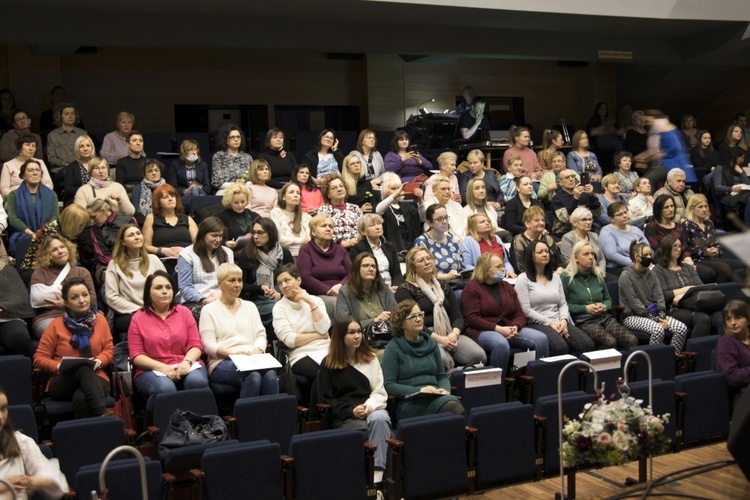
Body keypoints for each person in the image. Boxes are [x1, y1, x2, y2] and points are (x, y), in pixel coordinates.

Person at [320, 316, 392, 475]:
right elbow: (327, 400)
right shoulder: (329, 363)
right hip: (346, 416)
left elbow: (379, 392)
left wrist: (370, 406)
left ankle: (377, 475)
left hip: (372, 410)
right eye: (351, 332)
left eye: (359, 331)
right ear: (340, 336)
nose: (357, 336)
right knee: (374, 431)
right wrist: (351, 411)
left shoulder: (371, 359)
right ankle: (375, 481)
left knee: (380, 419)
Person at [34, 277, 114, 418]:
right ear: (66, 303)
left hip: (96, 376)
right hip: (63, 380)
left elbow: (109, 350)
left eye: (85, 295)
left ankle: (84, 438)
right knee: (82, 368)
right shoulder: (56, 325)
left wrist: (99, 361)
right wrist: (58, 366)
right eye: (75, 297)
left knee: (81, 397)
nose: (82, 300)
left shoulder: (100, 320)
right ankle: (103, 416)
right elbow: (39, 359)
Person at [395, 247, 486, 371]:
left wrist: (454, 334)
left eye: (429, 259)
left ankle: (462, 386)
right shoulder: (405, 290)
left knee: (478, 356)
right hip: (424, 335)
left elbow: (457, 316)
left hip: (449, 331)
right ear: (412, 266)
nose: (427, 262)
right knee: (441, 360)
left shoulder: (443, 286)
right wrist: (440, 339)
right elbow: (411, 323)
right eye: (421, 260)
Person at [128, 270, 208, 409]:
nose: (165, 291)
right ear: (148, 293)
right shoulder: (138, 318)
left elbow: (195, 345)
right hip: (152, 369)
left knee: (197, 382)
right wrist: (162, 367)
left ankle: (200, 426)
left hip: (186, 363)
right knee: (166, 388)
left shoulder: (184, 312)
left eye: (168, 287)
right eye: (158, 288)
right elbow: (136, 355)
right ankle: (169, 428)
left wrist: (186, 362)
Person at [199, 263, 278, 398]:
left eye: (240, 280)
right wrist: (233, 353)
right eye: (232, 280)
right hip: (223, 361)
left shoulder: (250, 306)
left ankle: (271, 418)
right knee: (252, 376)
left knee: (271, 375)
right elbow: (208, 345)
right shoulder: (209, 310)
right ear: (220, 284)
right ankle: (248, 418)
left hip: (252, 358)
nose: (237, 285)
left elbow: (260, 334)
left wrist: (258, 350)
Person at [462, 253, 549, 371]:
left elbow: (519, 312)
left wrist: (516, 326)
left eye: (502, 266)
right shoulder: (472, 288)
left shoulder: (507, 286)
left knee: (541, 339)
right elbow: (472, 318)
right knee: (500, 343)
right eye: (498, 267)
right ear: (486, 270)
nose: (503, 269)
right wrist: (498, 329)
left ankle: (538, 381)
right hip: (482, 331)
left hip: (509, 328)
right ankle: (498, 385)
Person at [381, 300, 464, 419]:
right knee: (452, 407)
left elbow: (441, 376)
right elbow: (389, 385)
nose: (419, 319)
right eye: (413, 316)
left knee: (451, 403)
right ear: (400, 323)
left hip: (436, 396)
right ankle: (471, 435)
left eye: (420, 315)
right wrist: (420, 390)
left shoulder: (431, 343)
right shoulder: (393, 348)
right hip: (410, 403)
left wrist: (444, 390)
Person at [516, 240, 596, 357]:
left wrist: (563, 320)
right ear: (531, 256)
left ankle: (576, 373)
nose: (545, 254)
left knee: (587, 344)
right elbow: (526, 310)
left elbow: (563, 304)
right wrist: (551, 323)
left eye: (547, 251)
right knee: (560, 347)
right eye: (540, 252)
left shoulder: (555, 277)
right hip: (537, 323)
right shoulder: (523, 279)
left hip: (559, 321)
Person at [561, 241, 637, 350]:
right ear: (576, 258)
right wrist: (585, 308)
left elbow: (607, 299)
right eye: (586, 254)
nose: (591, 257)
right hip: (584, 321)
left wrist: (604, 306)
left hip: (604, 318)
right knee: (610, 342)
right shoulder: (566, 277)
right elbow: (564, 306)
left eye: (592, 254)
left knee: (631, 340)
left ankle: (626, 366)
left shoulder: (598, 275)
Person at [618, 241, 688, 354]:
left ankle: (671, 359)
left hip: (655, 314)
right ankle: (654, 361)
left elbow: (659, 296)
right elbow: (634, 302)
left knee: (681, 329)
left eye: (650, 254)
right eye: (645, 255)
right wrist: (657, 320)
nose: (649, 257)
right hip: (632, 316)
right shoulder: (626, 275)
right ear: (636, 256)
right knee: (657, 330)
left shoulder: (652, 274)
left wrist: (661, 315)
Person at [0, 385, 65, 500]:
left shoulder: (20, 441)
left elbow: (57, 483)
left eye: (3, 408)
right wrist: (4, 486)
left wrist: (31, 481)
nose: (1, 417)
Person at [30, 234, 96, 340]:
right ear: (47, 254)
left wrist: (65, 305)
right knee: (63, 335)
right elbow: (37, 300)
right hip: (49, 317)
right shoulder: (40, 274)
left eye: (62, 247)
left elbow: (92, 302)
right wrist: (74, 299)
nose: (60, 251)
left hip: (81, 316)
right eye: (54, 249)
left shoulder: (82, 272)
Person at [272, 263, 331, 380]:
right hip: (300, 354)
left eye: (287, 280)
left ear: (298, 280)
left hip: (327, 348)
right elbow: (290, 340)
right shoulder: (279, 308)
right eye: (280, 283)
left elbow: (324, 328)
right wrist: (318, 335)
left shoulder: (316, 301)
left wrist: (310, 302)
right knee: (324, 374)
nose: (283, 286)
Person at [105, 224, 166, 337]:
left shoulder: (154, 260)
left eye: (138, 233)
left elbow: (166, 287)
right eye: (131, 235)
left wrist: (155, 308)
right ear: (123, 242)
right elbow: (112, 297)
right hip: (129, 313)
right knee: (144, 322)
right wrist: (140, 310)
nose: (137, 237)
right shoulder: (114, 264)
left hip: (155, 309)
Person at [234, 217, 293, 325]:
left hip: (283, 296)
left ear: (270, 233)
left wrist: (280, 295)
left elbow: (293, 281)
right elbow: (241, 284)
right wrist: (260, 288)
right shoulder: (247, 254)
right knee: (279, 310)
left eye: (260, 233)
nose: (256, 236)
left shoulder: (284, 253)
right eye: (254, 233)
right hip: (257, 299)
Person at [645, 194, 715, 284]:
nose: (670, 209)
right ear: (659, 210)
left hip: (682, 261)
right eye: (666, 207)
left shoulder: (678, 226)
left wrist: (688, 260)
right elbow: (659, 249)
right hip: (665, 263)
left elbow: (685, 247)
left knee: (709, 273)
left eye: (672, 206)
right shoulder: (652, 227)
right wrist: (679, 261)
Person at [653, 235, 712, 339]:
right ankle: (693, 352)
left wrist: (686, 292)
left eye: (680, 246)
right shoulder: (658, 270)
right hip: (673, 308)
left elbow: (701, 287)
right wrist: (686, 289)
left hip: (694, 303)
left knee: (720, 316)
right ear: (667, 248)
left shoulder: (687, 267)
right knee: (702, 319)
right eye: (675, 246)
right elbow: (663, 295)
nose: (678, 249)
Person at [297, 214, 351, 319]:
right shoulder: (306, 249)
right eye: (324, 226)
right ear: (313, 232)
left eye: (331, 227)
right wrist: (328, 290)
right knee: (337, 304)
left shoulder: (340, 250)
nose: (328, 229)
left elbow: (352, 273)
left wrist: (341, 285)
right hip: (319, 294)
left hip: (343, 290)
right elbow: (305, 277)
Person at [177, 217, 234, 315]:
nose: (218, 239)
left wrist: (222, 295)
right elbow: (185, 286)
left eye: (220, 236)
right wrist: (204, 300)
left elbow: (232, 280)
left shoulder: (227, 253)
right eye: (214, 236)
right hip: (195, 301)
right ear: (203, 234)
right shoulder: (187, 254)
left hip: (222, 298)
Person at [683, 194, 742, 284]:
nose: (704, 209)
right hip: (698, 260)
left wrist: (717, 250)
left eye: (705, 206)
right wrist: (705, 252)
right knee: (723, 269)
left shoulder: (709, 223)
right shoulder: (687, 225)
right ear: (692, 209)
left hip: (713, 258)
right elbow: (685, 249)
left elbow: (718, 243)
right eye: (700, 207)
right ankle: (718, 292)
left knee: (741, 265)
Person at [142, 183, 198, 275]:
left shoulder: (187, 219)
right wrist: (162, 250)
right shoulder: (151, 218)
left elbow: (199, 244)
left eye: (173, 196)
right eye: (165, 197)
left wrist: (185, 251)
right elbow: (146, 246)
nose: (171, 199)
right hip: (162, 261)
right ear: (158, 202)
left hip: (187, 259)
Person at [6, 159, 59, 255]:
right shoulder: (13, 195)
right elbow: (13, 219)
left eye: (38, 170)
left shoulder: (51, 194)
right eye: (30, 170)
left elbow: (55, 216)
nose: (35, 173)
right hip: (24, 234)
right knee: (26, 242)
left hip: (48, 233)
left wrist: (43, 233)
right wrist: (31, 234)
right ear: (23, 175)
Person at [18, 203, 89, 275]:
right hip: (36, 269)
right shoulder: (50, 231)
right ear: (72, 223)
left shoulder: (67, 231)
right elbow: (60, 258)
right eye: (81, 225)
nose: (82, 228)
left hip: (57, 269)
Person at [335, 253, 397, 331]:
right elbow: (342, 325)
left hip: (386, 334)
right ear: (357, 269)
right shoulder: (345, 292)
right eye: (365, 265)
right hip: (360, 337)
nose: (371, 269)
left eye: (373, 266)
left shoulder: (384, 289)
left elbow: (395, 316)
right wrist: (374, 321)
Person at [636, 110, 696, 187]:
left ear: (654, 118)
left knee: (649, 180)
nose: (647, 123)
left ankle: (650, 198)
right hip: (668, 161)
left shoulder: (665, 128)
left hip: (673, 163)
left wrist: (661, 155)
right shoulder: (659, 129)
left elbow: (675, 147)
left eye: (648, 120)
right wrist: (643, 156)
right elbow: (655, 149)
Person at [348, 213, 403, 290]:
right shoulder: (357, 249)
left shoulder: (389, 246)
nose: (377, 227)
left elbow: (397, 273)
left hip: (393, 288)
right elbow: (361, 276)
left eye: (379, 223)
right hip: (372, 289)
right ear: (363, 231)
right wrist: (386, 290)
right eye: (372, 225)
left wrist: (397, 286)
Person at [375, 172, 421, 257]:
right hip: (391, 251)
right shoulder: (380, 206)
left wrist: (420, 200)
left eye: (399, 188)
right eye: (393, 188)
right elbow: (378, 211)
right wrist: (395, 195)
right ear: (385, 189)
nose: (397, 191)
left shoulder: (407, 207)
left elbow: (423, 218)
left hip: (411, 249)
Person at [414, 205, 464, 283]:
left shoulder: (452, 240)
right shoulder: (422, 242)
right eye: (439, 219)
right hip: (434, 284)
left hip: (456, 282)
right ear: (430, 223)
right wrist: (445, 277)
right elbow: (420, 272)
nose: (444, 221)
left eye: (446, 217)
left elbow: (461, 266)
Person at [715, 300, 750, 404]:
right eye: (728, 319)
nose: (733, 323)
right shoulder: (726, 343)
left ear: (748, 320)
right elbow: (732, 377)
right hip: (743, 399)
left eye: (738, 318)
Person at [599, 201, 648, 276]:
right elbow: (611, 254)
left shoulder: (636, 229)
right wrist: (634, 263)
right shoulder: (607, 231)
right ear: (611, 219)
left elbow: (647, 247)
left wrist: (647, 260)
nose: (625, 216)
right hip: (618, 268)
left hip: (640, 263)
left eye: (626, 212)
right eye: (620, 214)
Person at [559, 207, 609, 277]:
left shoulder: (594, 236)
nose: (588, 222)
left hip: (597, 272)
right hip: (578, 274)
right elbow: (569, 262)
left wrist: (601, 271)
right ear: (575, 223)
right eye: (584, 220)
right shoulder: (568, 238)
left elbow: (601, 258)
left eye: (590, 219)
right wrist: (593, 272)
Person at [512, 206, 563, 275]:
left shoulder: (548, 239)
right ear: (527, 223)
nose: (541, 223)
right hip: (528, 277)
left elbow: (559, 263)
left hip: (551, 276)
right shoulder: (519, 240)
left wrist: (559, 270)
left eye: (543, 220)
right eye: (536, 220)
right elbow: (520, 268)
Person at [551, 168, 602, 236]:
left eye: (573, 176)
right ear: (560, 182)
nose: (571, 179)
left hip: (586, 231)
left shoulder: (584, 194)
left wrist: (591, 196)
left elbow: (598, 213)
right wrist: (575, 198)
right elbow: (566, 219)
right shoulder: (557, 199)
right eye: (567, 177)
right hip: (564, 233)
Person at [1, 134, 53, 198]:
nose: (31, 148)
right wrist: (17, 195)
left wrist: (38, 193)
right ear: (20, 148)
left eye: (33, 146)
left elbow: (48, 184)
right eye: (27, 145)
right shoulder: (8, 165)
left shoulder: (40, 162)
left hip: (38, 196)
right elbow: (4, 189)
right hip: (16, 197)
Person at [317, 173, 362, 248]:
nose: (339, 189)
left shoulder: (355, 208)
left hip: (358, 246)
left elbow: (363, 230)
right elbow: (323, 233)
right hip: (336, 249)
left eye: (341, 186)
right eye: (334, 188)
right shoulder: (323, 211)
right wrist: (343, 243)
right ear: (328, 194)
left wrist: (357, 240)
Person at [166, 139, 211, 213]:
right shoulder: (175, 165)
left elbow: (208, 189)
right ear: (184, 152)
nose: (194, 152)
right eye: (190, 150)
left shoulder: (203, 165)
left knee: (194, 189)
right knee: (194, 193)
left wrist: (198, 186)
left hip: (201, 192)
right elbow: (172, 188)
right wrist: (185, 191)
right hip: (184, 196)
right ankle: (198, 214)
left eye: (195, 149)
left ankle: (193, 214)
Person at [269, 182, 312, 258]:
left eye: (298, 193)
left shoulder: (306, 217)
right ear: (283, 197)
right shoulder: (276, 213)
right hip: (286, 255)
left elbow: (309, 239)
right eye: (291, 192)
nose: (295, 195)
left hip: (306, 254)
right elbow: (280, 240)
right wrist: (301, 240)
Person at [419, 176, 466, 241]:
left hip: (461, 241)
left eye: (449, 189)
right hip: (437, 241)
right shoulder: (427, 205)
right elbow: (422, 220)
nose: (447, 192)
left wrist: (462, 239)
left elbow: (465, 225)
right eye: (443, 189)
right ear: (434, 191)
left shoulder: (457, 206)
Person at [216, 182, 260, 249]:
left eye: (243, 202)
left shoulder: (254, 216)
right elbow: (212, 236)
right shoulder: (220, 217)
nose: (240, 205)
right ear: (229, 202)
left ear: (247, 200)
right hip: (232, 253)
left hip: (253, 251)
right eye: (236, 203)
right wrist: (224, 243)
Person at [212, 125, 253, 195]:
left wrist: (244, 184)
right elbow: (217, 182)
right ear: (225, 139)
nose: (236, 139)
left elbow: (253, 178)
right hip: (226, 190)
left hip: (246, 188)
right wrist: (235, 185)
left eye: (238, 137)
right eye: (232, 137)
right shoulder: (219, 157)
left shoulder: (247, 157)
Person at [713, 148, 750, 226]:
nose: (743, 160)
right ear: (736, 157)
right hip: (728, 193)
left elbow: (747, 184)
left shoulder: (739, 168)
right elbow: (717, 186)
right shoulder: (720, 168)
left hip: (741, 193)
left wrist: (741, 172)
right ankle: (748, 225)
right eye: (742, 157)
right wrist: (732, 189)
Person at [46, 103, 86, 174]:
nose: (70, 116)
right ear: (60, 116)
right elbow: (51, 158)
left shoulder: (82, 134)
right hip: (61, 169)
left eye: (73, 114)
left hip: (81, 168)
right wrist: (65, 164)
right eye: (67, 114)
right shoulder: (52, 135)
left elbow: (91, 153)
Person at [130, 158, 166, 225]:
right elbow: (137, 212)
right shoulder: (137, 189)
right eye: (150, 171)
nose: (154, 173)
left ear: (160, 172)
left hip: (165, 221)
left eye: (156, 170)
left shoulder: (167, 188)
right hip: (144, 222)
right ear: (144, 174)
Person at [63, 135, 95, 206]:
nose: (85, 149)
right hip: (78, 200)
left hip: (97, 200)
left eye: (88, 146)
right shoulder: (71, 167)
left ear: (92, 148)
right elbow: (68, 189)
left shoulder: (98, 164)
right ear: (77, 150)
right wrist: (86, 191)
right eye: (81, 146)